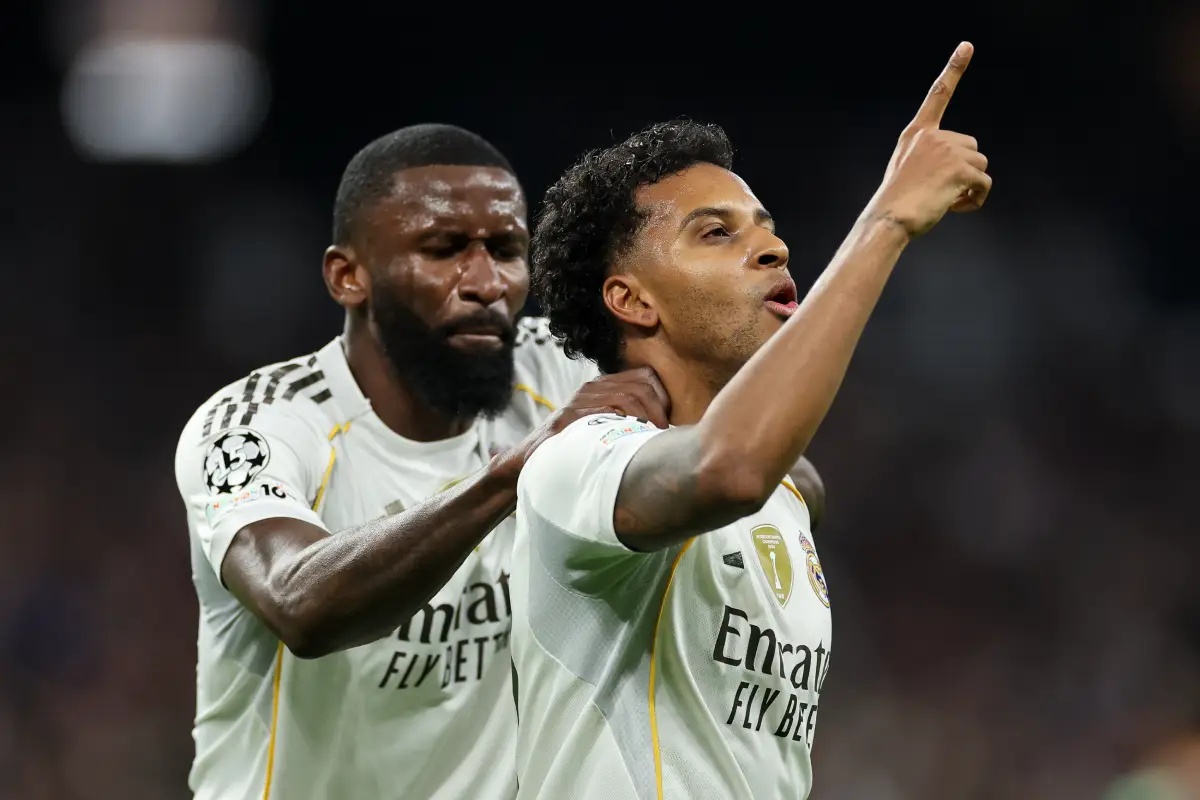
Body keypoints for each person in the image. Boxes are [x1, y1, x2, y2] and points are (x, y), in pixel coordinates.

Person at [509, 43, 990, 799]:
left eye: (764, 227)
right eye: (716, 233)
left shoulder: (788, 498)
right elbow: (726, 469)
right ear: (633, 300)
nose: (774, 246)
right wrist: (886, 220)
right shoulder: (578, 463)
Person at [173, 124, 670, 800]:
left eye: (506, 250)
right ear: (348, 276)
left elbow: (764, 472)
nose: (485, 283)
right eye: (443, 251)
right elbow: (300, 605)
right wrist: (512, 473)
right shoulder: (259, 426)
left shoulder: (557, 371)